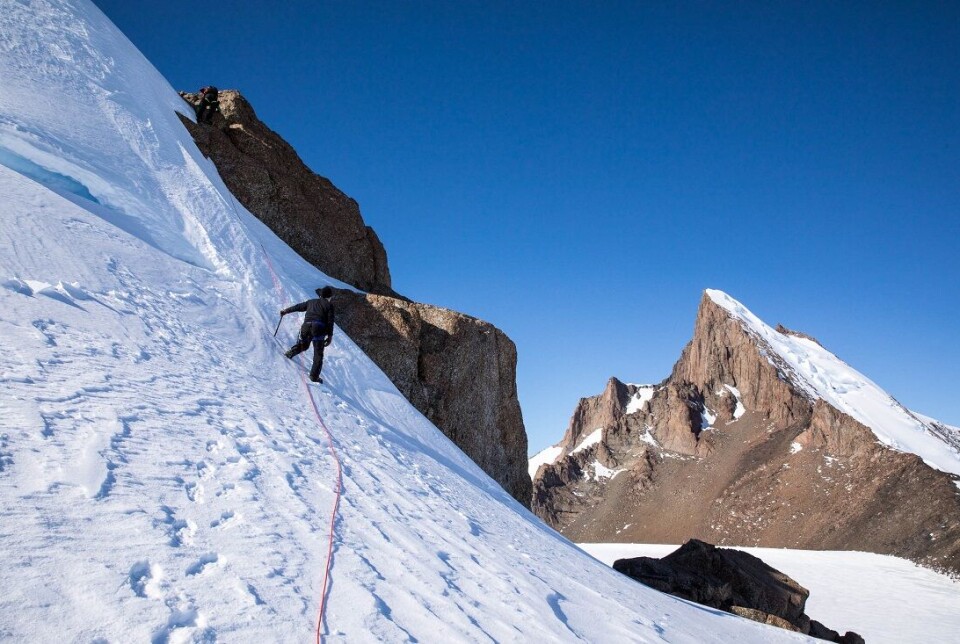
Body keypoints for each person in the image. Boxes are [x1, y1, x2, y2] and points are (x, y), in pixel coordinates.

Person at [281, 286, 335, 383]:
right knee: (318, 354)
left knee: (304, 345)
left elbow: (298, 307)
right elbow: (330, 321)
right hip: (319, 328)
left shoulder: (311, 302)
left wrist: (285, 311)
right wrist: (330, 336)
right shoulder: (329, 305)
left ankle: (291, 352)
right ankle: (314, 376)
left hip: (306, 327)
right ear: (329, 297)